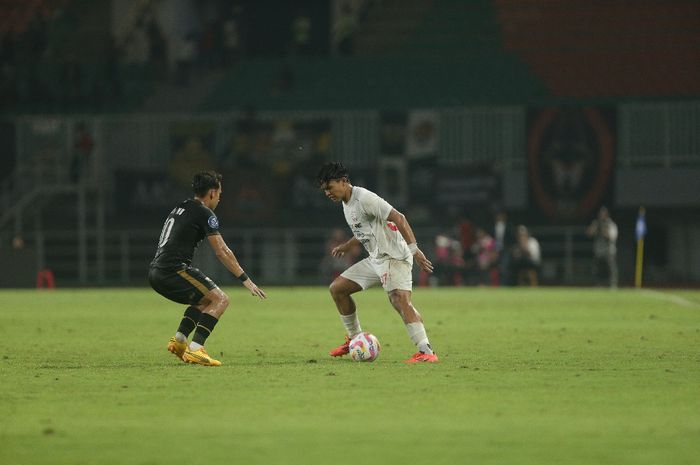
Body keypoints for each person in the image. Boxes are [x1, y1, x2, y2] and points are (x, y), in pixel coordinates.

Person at [317, 162, 438, 363]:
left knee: (398, 300)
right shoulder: (346, 204)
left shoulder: (364, 198)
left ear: (344, 181)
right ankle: (355, 339)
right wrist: (347, 245)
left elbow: (399, 217)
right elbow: (363, 231)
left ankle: (426, 351)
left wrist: (414, 250)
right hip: (376, 259)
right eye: (324, 190)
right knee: (337, 289)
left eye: (329, 187)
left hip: (394, 257)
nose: (327, 193)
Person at [148, 171, 266, 366]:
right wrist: (246, 280)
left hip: (156, 272)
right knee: (221, 299)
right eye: (219, 193)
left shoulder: (181, 206)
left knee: (205, 300)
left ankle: (179, 341)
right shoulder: (205, 213)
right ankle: (196, 348)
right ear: (212, 193)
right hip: (173, 270)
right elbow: (222, 251)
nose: (219, 198)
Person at [586, 206, 618, 288]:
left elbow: (612, 237)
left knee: (611, 268)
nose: (601, 216)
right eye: (600, 214)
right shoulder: (596, 223)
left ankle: (613, 285)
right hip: (598, 250)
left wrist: (603, 230)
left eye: (603, 214)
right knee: (597, 269)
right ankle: (598, 284)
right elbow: (589, 233)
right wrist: (594, 229)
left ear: (607, 215)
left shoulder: (611, 224)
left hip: (609, 251)